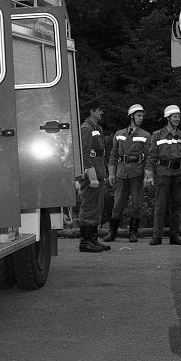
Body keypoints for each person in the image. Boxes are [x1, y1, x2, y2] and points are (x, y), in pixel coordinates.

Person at [144, 104, 181, 245]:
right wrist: (149, 175)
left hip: (178, 174)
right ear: (168, 118)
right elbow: (152, 156)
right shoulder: (157, 135)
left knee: (176, 205)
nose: (177, 119)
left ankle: (174, 236)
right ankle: (157, 236)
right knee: (160, 205)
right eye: (175, 117)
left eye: (178, 117)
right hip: (163, 173)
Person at [104, 104, 151, 242]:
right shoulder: (119, 134)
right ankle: (112, 232)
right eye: (138, 115)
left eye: (142, 116)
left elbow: (149, 157)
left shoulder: (145, 135)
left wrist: (148, 176)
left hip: (137, 172)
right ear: (131, 116)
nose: (141, 118)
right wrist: (111, 173)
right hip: (121, 172)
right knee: (118, 203)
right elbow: (113, 155)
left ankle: (133, 233)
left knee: (136, 204)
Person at [78, 97, 111, 253]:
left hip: (99, 171)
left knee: (97, 207)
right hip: (92, 173)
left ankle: (93, 239)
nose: (102, 112)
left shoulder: (96, 127)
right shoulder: (86, 128)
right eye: (99, 110)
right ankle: (85, 242)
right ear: (92, 111)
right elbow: (85, 154)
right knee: (89, 206)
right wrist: (91, 175)